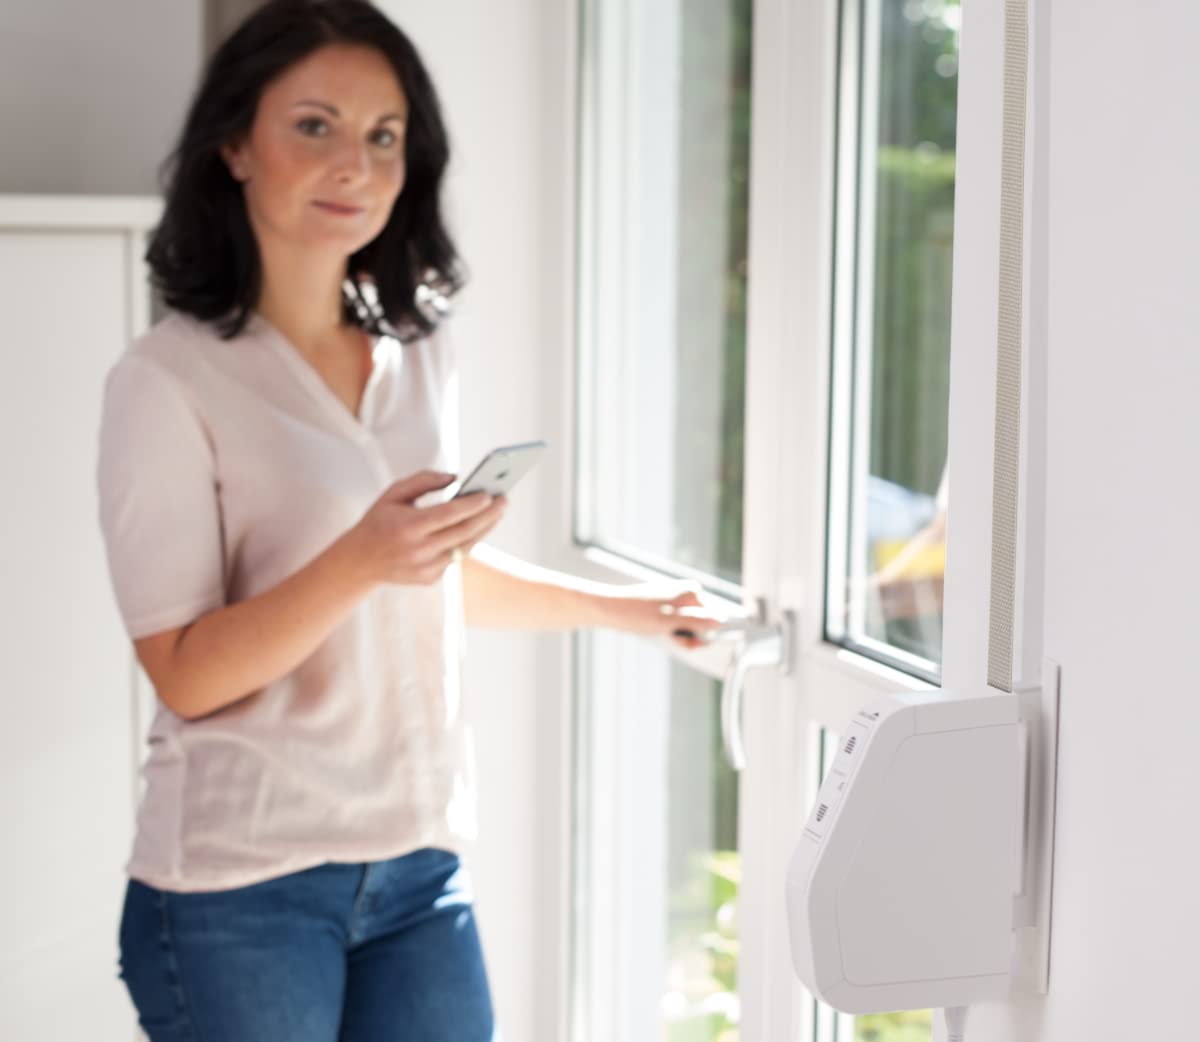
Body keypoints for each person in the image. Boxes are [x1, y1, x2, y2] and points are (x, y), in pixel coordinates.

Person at [96, 3, 721, 1039]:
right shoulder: (166, 380)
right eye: (315, 126)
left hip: (417, 868)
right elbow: (188, 673)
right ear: (234, 145)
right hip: (237, 888)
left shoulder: (421, 351)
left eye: (383, 135)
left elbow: (420, 576)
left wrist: (632, 610)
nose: (355, 164)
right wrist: (360, 557)